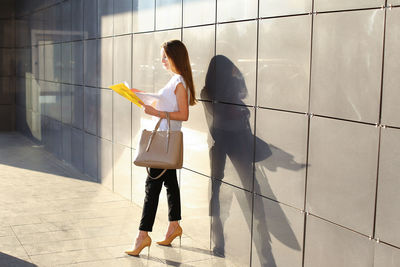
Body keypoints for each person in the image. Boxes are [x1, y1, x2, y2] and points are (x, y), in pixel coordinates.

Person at [125, 40, 196, 256]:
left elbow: (183, 115)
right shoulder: (174, 80)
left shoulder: (180, 83)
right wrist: (141, 96)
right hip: (164, 141)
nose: (162, 60)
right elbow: (164, 103)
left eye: (165, 56)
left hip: (165, 142)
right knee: (170, 184)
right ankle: (174, 226)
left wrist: (155, 113)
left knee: (151, 186)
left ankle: (142, 235)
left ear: (176, 56)